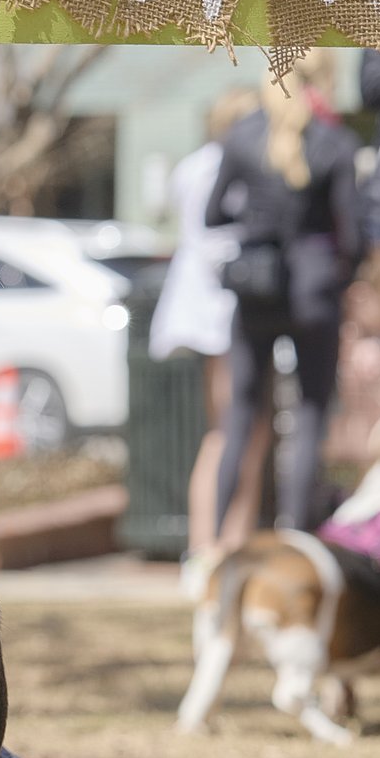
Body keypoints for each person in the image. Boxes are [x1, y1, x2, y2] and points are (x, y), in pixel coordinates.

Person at [205, 50, 360, 538]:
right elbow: (354, 238)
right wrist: (338, 275)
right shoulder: (335, 142)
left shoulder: (242, 135)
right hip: (314, 292)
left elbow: (212, 215)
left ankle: (209, 546)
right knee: (310, 416)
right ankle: (294, 536)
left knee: (241, 419)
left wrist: (254, 224)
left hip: (258, 288)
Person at [149, 87, 271, 583]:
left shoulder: (193, 165)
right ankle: (219, 545)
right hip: (226, 307)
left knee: (231, 429)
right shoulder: (238, 162)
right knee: (239, 431)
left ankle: (219, 544)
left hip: (203, 305)